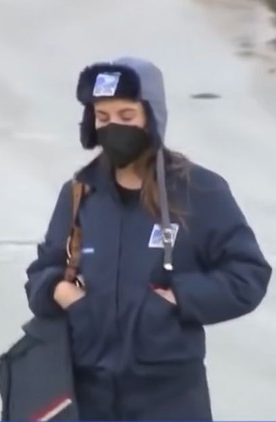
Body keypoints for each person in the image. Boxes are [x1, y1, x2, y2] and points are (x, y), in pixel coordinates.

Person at [24, 56, 272, 420]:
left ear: (151, 117)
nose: (113, 128)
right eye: (103, 118)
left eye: (126, 117)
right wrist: (63, 294)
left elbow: (248, 275)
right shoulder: (79, 193)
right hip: (86, 392)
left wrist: (179, 299)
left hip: (170, 397)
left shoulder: (198, 190)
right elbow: (40, 274)